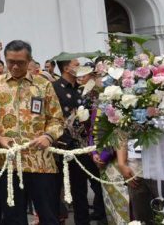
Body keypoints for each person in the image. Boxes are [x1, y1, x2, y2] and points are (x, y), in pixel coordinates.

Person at [0, 40, 64, 225]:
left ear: (29, 61)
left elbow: (57, 119)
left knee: (49, 215)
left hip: (40, 162)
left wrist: (48, 136)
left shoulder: (43, 85)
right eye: (10, 61)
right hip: (7, 162)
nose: (14, 66)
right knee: (12, 217)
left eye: (20, 62)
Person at [52, 58, 105, 225]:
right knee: (67, 191)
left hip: (85, 146)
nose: (80, 68)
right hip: (65, 147)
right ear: (66, 68)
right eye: (76, 65)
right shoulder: (54, 88)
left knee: (90, 188)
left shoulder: (83, 89)